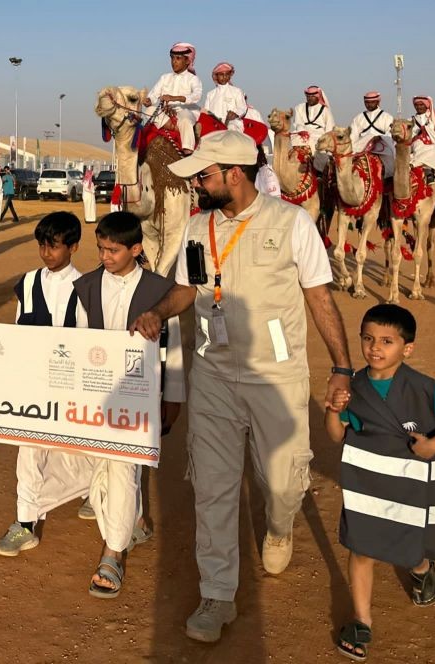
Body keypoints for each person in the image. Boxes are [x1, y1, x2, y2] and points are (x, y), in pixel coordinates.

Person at [130, 131, 352, 642]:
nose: (197, 185)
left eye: (204, 176)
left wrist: (342, 366)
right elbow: (188, 288)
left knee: (280, 484)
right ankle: (218, 593)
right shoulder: (195, 226)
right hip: (213, 376)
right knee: (213, 487)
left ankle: (278, 527)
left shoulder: (293, 223)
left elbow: (319, 298)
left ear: (234, 173)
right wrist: (158, 312)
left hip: (276, 376)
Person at [325, 304, 435, 662]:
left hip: (411, 488)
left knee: (411, 545)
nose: (375, 348)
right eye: (368, 339)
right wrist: (333, 410)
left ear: (406, 348)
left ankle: (422, 569)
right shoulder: (355, 386)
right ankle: (361, 621)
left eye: (386, 341)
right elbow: (336, 436)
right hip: (369, 486)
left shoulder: (423, 387)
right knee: (361, 547)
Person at [73, 211, 185, 599]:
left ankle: (113, 552)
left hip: (142, 397)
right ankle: (133, 520)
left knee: (121, 465)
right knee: (106, 462)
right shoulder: (85, 286)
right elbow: (80, 342)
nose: (105, 256)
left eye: (113, 250)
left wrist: (174, 396)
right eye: (101, 248)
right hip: (98, 395)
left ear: (136, 249)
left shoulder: (162, 290)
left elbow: (176, 348)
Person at [0, 211, 96, 556]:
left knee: (81, 444)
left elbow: (85, 338)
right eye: (42, 246)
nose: (46, 253)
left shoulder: (86, 288)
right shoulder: (26, 283)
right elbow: (20, 326)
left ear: (73, 247)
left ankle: (95, 492)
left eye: (53, 246)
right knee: (30, 447)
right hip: (34, 384)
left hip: (70, 385)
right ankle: (25, 522)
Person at [143, 43, 203, 154]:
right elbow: (154, 94)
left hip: (187, 111)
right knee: (149, 111)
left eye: (178, 58)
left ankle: (188, 150)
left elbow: (197, 96)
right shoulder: (165, 77)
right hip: (167, 113)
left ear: (187, 61)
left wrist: (174, 98)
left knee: (185, 118)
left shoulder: (193, 79)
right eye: (172, 58)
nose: (174, 61)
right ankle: (174, 127)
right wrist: (149, 100)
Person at [349, 91, 395, 178]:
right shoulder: (359, 118)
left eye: (372, 102)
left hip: (382, 145)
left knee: (391, 158)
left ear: (378, 102)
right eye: (367, 102)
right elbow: (353, 135)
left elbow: (390, 134)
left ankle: (389, 178)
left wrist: (379, 137)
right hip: (362, 146)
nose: (369, 105)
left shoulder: (387, 117)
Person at [290, 85, 336, 172]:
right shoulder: (299, 108)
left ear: (318, 96)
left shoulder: (325, 111)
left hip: (319, 136)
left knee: (321, 154)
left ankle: (319, 173)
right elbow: (298, 123)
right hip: (301, 134)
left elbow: (330, 129)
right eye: (308, 96)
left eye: (312, 96)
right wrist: (303, 131)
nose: (309, 98)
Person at [203, 62, 247, 133]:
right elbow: (206, 112)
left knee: (231, 128)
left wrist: (235, 114)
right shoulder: (210, 94)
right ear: (216, 76)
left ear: (230, 76)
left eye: (227, 74)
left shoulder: (237, 91)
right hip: (215, 124)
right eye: (221, 74)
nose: (224, 77)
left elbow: (242, 108)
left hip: (233, 122)